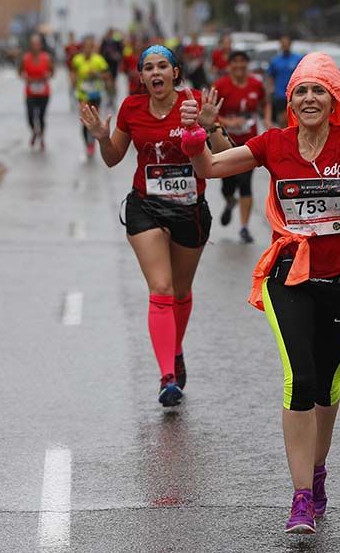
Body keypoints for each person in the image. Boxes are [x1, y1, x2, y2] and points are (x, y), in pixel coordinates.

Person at [179, 53, 340, 534]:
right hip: (289, 279)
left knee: (326, 388)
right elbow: (212, 166)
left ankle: (318, 475)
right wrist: (197, 132)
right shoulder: (274, 143)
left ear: (334, 98)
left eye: (318, 90)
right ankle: (301, 497)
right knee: (299, 380)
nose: (308, 99)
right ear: (290, 101)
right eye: (300, 91)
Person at [79, 45, 230, 407]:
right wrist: (101, 135)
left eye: (163, 66)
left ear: (176, 72)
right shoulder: (131, 108)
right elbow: (114, 159)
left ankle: (174, 350)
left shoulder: (194, 103)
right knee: (160, 287)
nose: (155, 73)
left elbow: (225, 156)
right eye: (148, 68)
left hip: (189, 209)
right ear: (142, 77)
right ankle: (167, 377)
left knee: (179, 291)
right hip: (145, 206)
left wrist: (211, 128)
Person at [212, 49, 267, 243]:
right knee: (227, 186)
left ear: (246, 65)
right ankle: (229, 201)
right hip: (226, 143)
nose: (239, 66)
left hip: (249, 142)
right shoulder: (220, 85)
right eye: (235, 62)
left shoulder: (255, 84)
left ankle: (244, 227)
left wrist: (267, 121)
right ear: (229, 66)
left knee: (245, 183)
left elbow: (264, 102)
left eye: (242, 62)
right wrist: (227, 123)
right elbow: (211, 113)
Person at [70, 36, 111, 157]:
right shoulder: (77, 60)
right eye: (85, 47)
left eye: (90, 47)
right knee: (84, 121)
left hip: (95, 94)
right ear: (82, 48)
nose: (87, 50)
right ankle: (87, 144)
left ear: (92, 48)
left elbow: (107, 75)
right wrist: (72, 81)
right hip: (83, 94)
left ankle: (92, 142)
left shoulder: (98, 60)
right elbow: (73, 72)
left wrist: (97, 74)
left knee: (94, 121)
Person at [19, 33, 54, 150]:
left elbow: (52, 72)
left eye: (37, 44)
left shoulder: (46, 57)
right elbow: (20, 72)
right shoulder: (26, 58)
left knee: (41, 117)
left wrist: (47, 75)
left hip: (44, 92)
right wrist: (25, 77)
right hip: (30, 92)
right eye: (33, 44)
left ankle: (42, 138)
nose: (35, 46)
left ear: (40, 45)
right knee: (30, 116)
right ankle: (34, 132)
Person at [265, 34, 302, 128]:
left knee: (295, 120)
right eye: (283, 44)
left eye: (286, 43)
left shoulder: (298, 59)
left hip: (295, 94)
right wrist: (270, 90)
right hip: (280, 95)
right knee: (282, 120)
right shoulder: (275, 61)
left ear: (290, 44)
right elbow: (270, 76)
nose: (284, 46)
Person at [63, 32, 81, 111]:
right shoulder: (67, 46)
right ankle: (72, 99)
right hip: (71, 68)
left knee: (77, 84)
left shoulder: (77, 46)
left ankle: (77, 98)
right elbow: (66, 56)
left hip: (78, 67)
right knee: (72, 84)